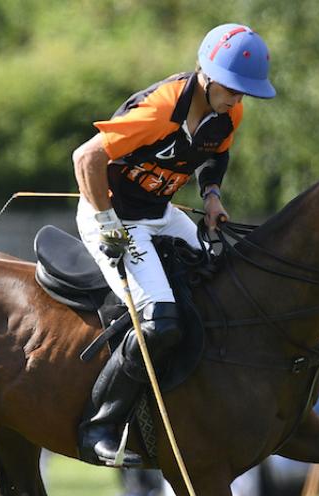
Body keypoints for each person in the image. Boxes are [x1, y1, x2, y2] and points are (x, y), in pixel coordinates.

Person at [72, 23, 276, 467]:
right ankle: (99, 427)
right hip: (113, 216)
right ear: (206, 73)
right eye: (231, 89)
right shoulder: (161, 107)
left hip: (163, 215)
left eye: (244, 93)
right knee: (160, 321)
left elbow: (216, 152)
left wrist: (212, 196)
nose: (237, 100)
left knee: (226, 286)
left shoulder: (229, 114)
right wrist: (107, 222)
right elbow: (86, 157)